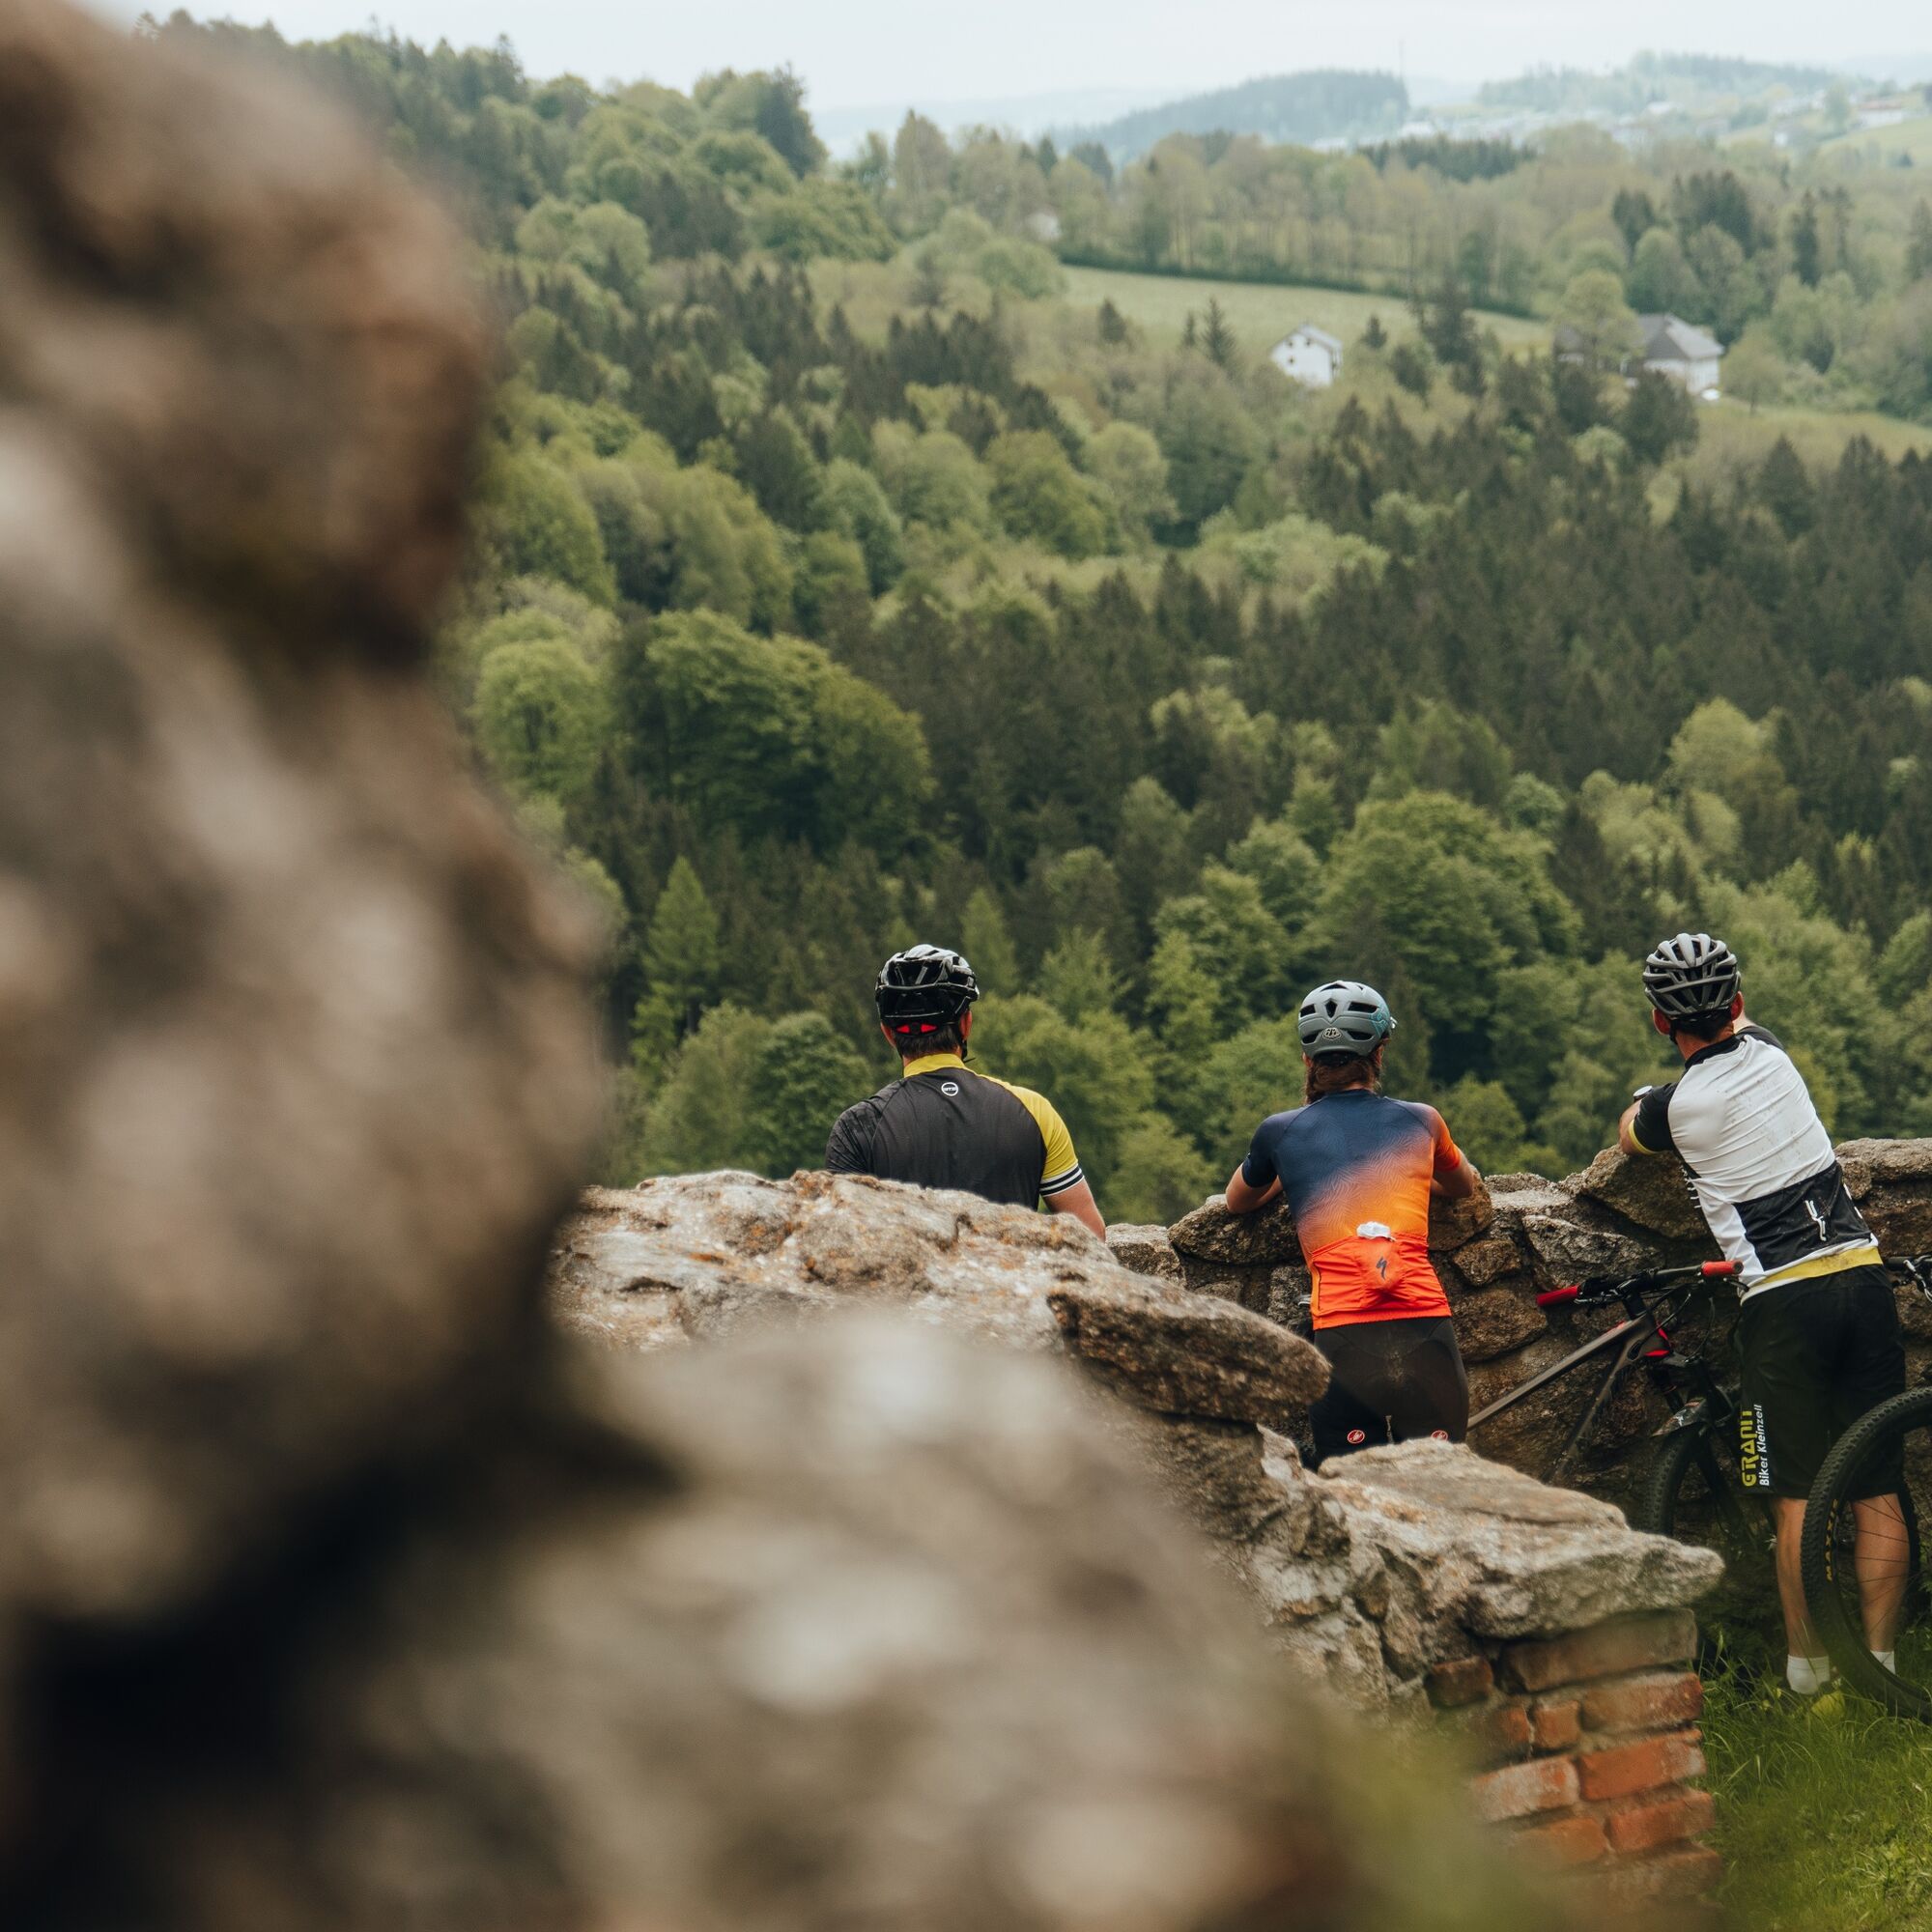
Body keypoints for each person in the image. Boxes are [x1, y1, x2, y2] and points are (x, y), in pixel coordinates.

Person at [1617, 931, 1906, 1698]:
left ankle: (1809, 1682)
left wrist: (1648, 1097)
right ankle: (1885, 1671)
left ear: (1659, 1022)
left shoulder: (1675, 1108)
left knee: (1795, 1496)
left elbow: (1629, 1135)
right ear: (1739, 1003)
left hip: (1784, 1301)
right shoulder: (1775, 1056)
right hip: (1864, 1275)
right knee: (1877, 1485)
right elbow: (1742, 1033)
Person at [1223, 980, 1482, 1464]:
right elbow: (1462, 1184)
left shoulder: (1280, 1132)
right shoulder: (1424, 1120)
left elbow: (1238, 1200)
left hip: (1342, 1334)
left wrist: (1290, 1171)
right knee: (1442, 1488)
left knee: (1354, 1489)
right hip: (1425, 1325)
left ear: (1308, 1060)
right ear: (1379, 1053)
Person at [824, 944, 1105, 1237]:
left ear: (888, 1033)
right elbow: (1092, 1236)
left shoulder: (857, 1128)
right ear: (966, 1023)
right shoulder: (1034, 1110)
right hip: (1011, 1268)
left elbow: (838, 1242)